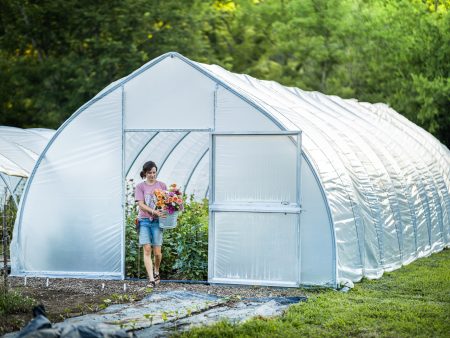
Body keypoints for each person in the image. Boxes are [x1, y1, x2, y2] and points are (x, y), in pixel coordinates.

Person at [134, 161, 167, 287]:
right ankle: (151, 280)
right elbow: (141, 204)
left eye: (154, 172)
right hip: (144, 221)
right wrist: (153, 211)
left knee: (157, 252)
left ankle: (157, 270)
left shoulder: (162, 185)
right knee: (147, 249)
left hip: (158, 222)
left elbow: (167, 203)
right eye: (149, 173)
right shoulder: (140, 187)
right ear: (145, 173)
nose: (152, 175)